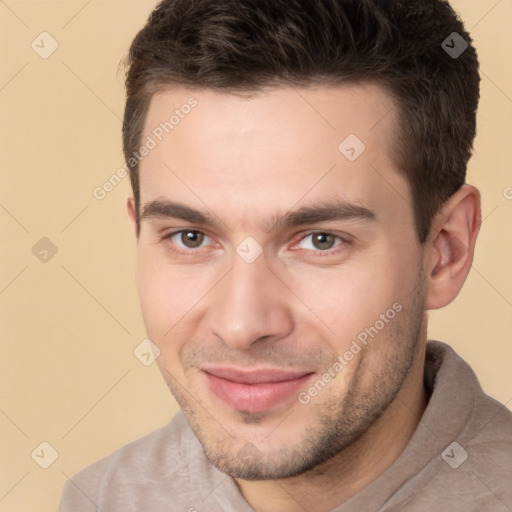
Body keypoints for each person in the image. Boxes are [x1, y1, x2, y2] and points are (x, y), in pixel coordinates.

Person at [59, 0, 512, 510]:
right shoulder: (100, 499)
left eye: (321, 240)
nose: (241, 325)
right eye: (190, 237)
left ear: (445, 252)